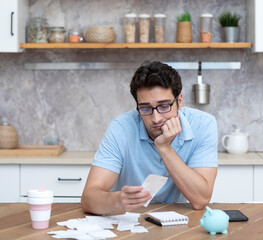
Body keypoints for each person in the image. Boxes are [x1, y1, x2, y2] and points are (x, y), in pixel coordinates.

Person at [81, 61, 218, 215]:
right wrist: (118, 200)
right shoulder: (121, 127)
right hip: (128, 219)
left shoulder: (203, 124)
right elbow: (88, 199)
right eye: (145, 108)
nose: (156, 118)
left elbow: (200, 200)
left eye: (164, 106)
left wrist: (164, 148)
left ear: (179, 102)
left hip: (176, 221)